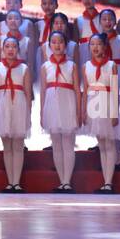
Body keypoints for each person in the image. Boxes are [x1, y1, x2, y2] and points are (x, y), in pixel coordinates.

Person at [39, 30, 79, 192]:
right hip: (51, 104)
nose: (57, 45)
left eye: (60, 42)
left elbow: (77, 89)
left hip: (67, 102)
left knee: (68, 143)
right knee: (56, 144)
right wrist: (42, 112)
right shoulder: (45, 66)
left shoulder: (72, 65)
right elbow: (42, 90)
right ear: (49, 45)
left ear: (66, 45)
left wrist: (78, 110)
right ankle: (61, 180)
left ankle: (67, 182)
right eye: (53, 42)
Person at [0, 37, 31, 192]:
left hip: (19, 105)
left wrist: (28, 114)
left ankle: (17, 182)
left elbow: (27, 94)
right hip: (3, 106)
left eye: (14, 46)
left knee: (18, 146)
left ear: (18, 49)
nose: (10, 49)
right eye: (7, 46)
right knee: (7, 146)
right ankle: (10, 182)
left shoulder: (24, 68)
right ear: (3, 49)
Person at [82, 33, 120, 193]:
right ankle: (105, 180)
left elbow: (115, 90)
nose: (96, 47)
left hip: (106, 104)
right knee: (102, 145)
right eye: (92, 44)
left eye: (99, 44)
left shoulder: (111, 65)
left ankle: (108, 182)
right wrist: (83, 111)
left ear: (105, 46)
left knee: (109, 144)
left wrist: (114, 112)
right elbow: (85, 90)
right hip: (93, 105)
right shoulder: (86, 66)